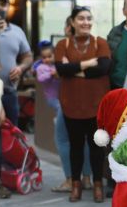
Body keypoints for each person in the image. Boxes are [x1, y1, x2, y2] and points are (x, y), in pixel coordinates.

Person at [54, 5, 112, 203]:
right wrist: (87, 64)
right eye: (81, 18)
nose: (85, 22)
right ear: (73, 22)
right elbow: (61, 69)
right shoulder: (63, 44)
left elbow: (104, 68)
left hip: (96, 106)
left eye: (88, 18)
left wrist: (74, 70)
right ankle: (76, 185)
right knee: (76, 146)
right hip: (71, 105)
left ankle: (97, 185)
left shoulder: (100, 43)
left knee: (97, 147)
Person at [33, 38, 92, 192]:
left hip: (66, 103)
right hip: (74, 101)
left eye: (49, 56)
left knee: (63, 139)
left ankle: (71, 180)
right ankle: (86, 178)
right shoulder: (45, 66)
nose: (46, 59)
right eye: (44, 57)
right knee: (83, 139)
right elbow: (42, 77)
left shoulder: (64, 59)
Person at [0, 0, 33, 129]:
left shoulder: (17, 31)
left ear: (7, 7)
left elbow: (28, 56)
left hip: (10, 93)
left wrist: (20, 68)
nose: (0, 7)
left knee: (12, 137)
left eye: (3, 4)